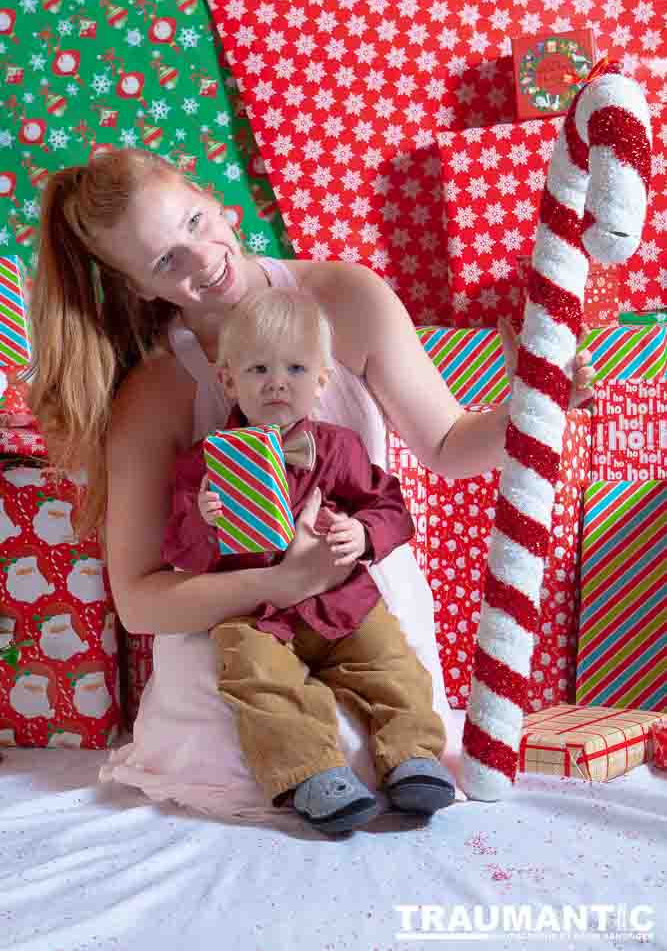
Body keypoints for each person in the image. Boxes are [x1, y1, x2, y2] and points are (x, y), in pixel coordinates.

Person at [28, 149, 595, 821]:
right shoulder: (157, 393)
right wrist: (277, 581)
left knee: (388, 735)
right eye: (163, 263)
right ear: (140, 290)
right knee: (266, 739)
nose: (201, 258)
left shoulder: (346, 300)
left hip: (363, 606)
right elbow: (143, 603)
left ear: (216, 203)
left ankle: (400, 755)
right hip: (234, 637)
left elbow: (446, 448)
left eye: (194, 223)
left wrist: (531, 408)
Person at [161, 287, 454, 833]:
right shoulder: (204, 463)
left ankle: (413, 757)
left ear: (320, 381)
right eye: (258, 368)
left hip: (341, 603)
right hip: (257, 613)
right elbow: (179, 550)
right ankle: (312, 773)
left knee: (392, 663)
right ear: (228, 381)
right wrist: (203, 518)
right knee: (254, 677)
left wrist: (362, 534)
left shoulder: (339, 447)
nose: (277, 381)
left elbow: (389, 505)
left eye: (296, 367)